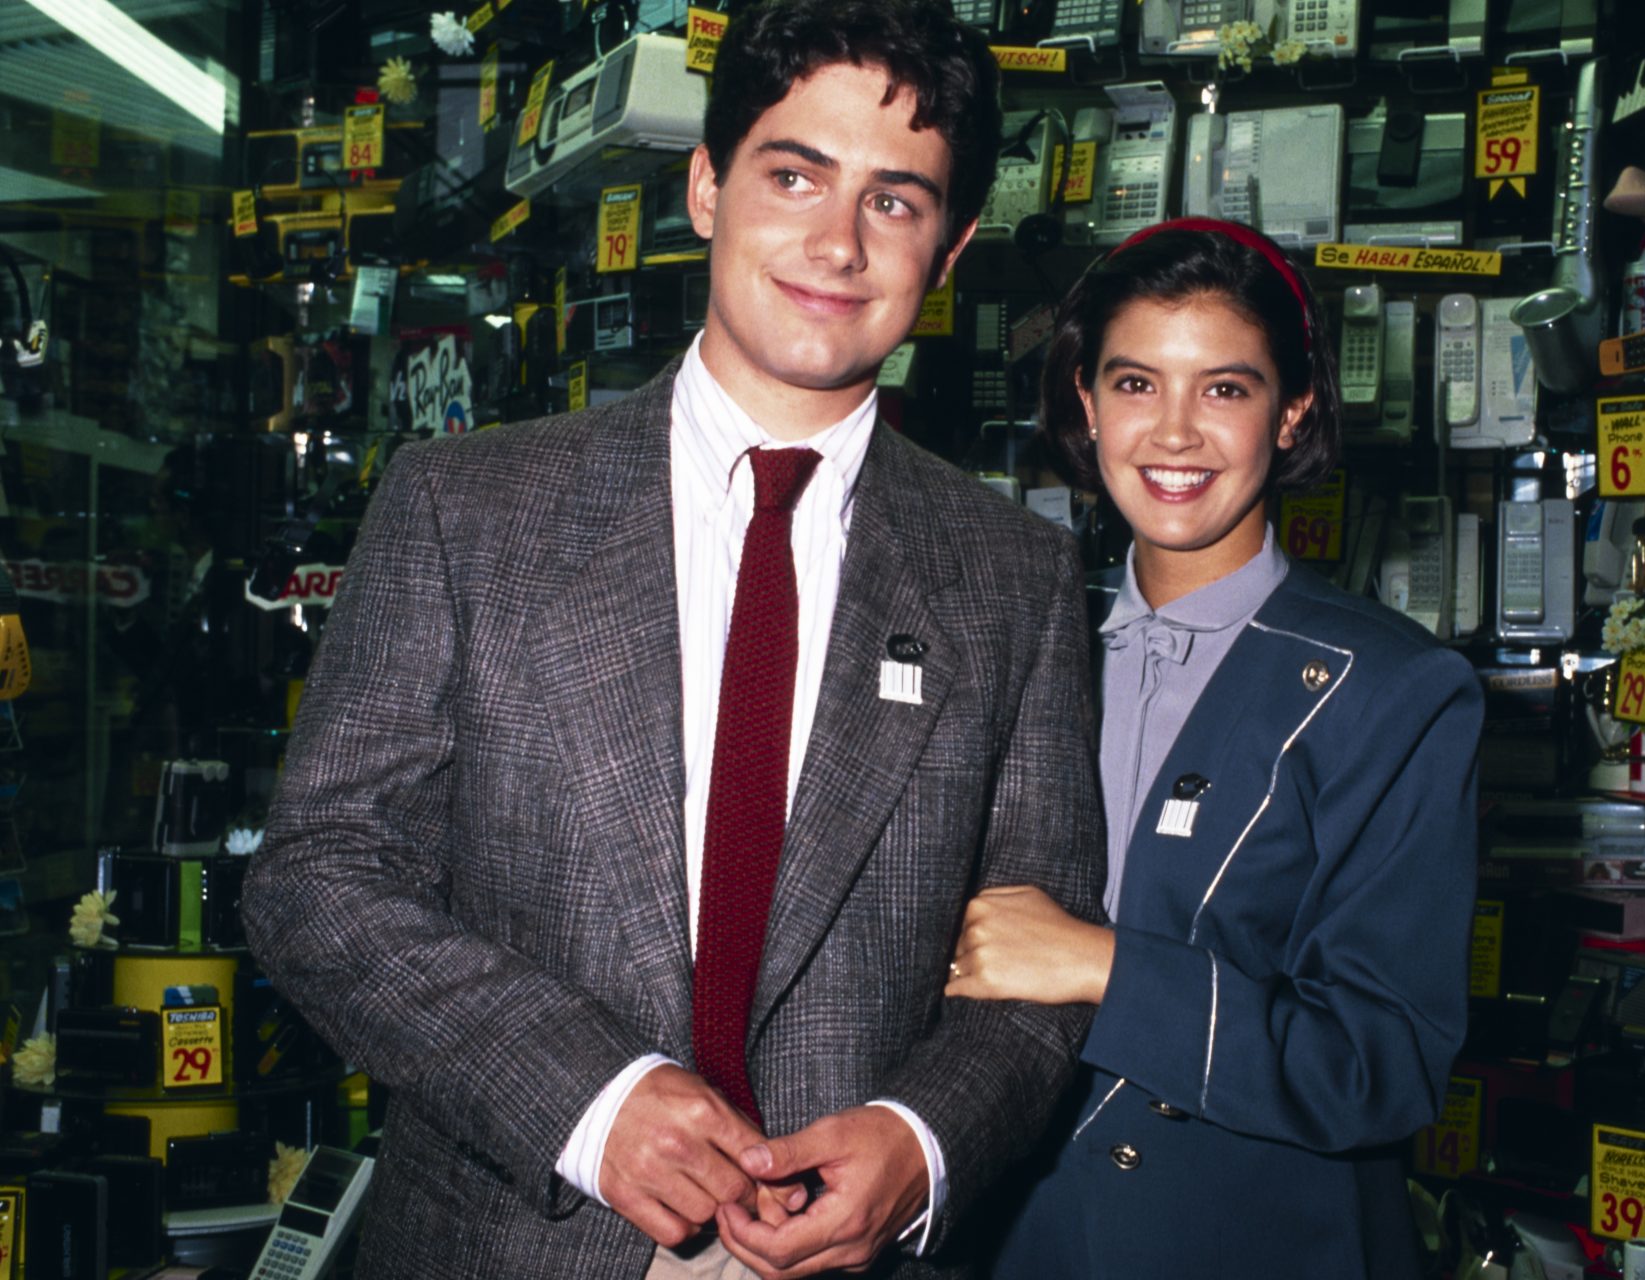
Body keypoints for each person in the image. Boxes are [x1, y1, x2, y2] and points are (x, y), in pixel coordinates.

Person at [240, 3, 1104, 1277]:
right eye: (794, 175)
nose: (837, 242)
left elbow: (1038, 951)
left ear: (954, 245)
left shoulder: (1014, 576)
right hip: (506, 1227)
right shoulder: (463, 507)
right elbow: (314, 874)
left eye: (896, 201)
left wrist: (920, 1139)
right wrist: (590, 1100)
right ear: (706, 186)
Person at [945, 218, 1484, 1278]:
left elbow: (1382, 1065)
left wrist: (1104, 967)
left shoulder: (1398, 692)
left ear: (1293, 413)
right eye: (1138, 384)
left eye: (1226, 389)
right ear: (1088, 403)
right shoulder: (1013, 643)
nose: (1175, 432)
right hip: (1012, 1236)